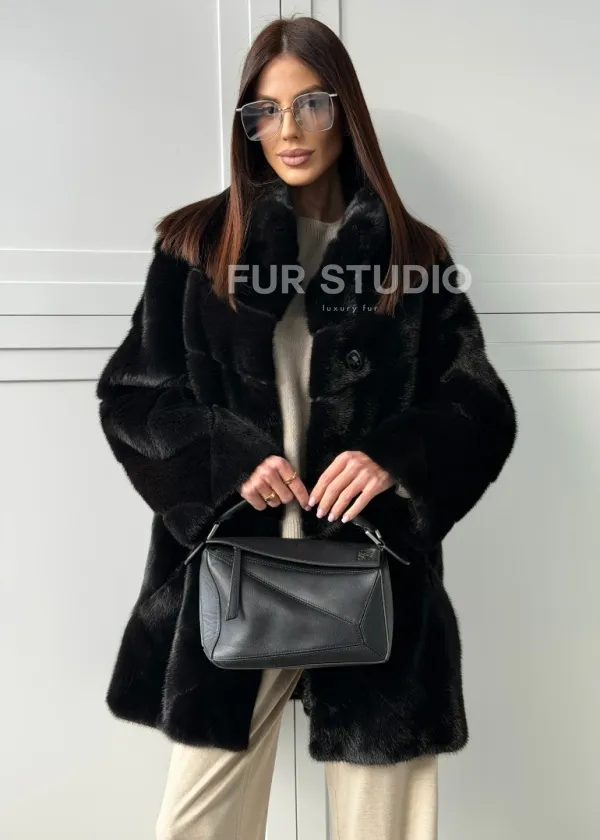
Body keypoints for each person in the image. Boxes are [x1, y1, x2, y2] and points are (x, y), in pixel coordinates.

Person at [96, 15, 517, 840]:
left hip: (376, 580)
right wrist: (226, 461)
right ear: (247, 125)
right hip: (235, 581)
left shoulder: (411, 255)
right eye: (265, 111)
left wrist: (394, 459)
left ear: (344, 111)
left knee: (385, 830)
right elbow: (134, 398)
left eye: (310, 105)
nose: (287, 130)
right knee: (195, 825)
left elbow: (478, 406)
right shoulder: (197, 245)